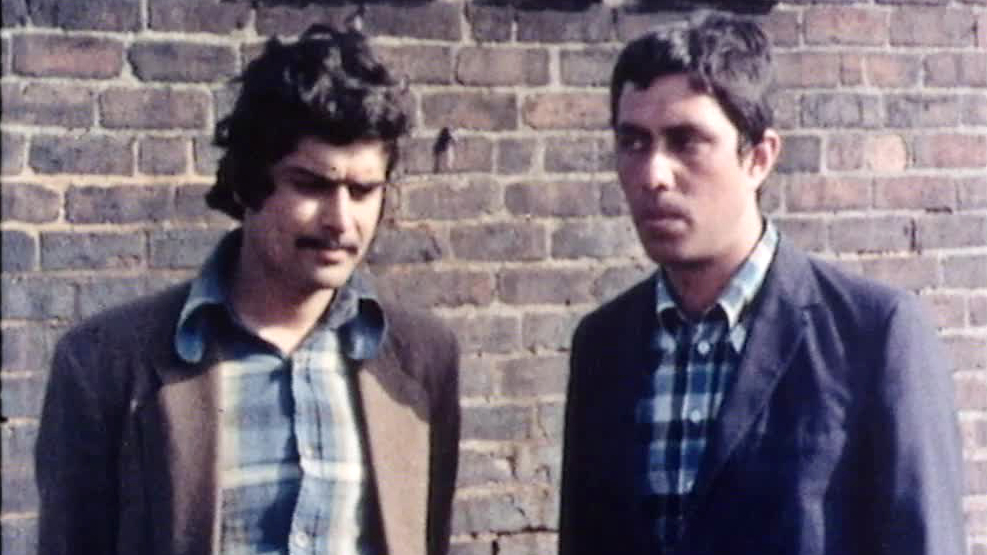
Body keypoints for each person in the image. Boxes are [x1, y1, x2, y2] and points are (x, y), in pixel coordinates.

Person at [35, 25, 459, 555]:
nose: (340, 220)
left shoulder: (423, 359)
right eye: (311, 185)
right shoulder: (104, 363)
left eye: (363, 190)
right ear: (247, 182)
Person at [558, 13, 965, 555]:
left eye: (686, 141)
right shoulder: (603, 345)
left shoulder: (873, 336)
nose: (653, 174)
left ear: (759, 157)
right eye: (633, 142)